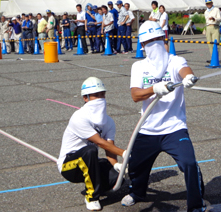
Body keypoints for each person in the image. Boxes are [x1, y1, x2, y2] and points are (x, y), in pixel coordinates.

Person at [121, 21, 205, 212]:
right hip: (147, 128)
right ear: (142, 45)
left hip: (174, 128)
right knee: (135, 166)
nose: (154, 44)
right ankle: (137, 192)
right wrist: (154, 89)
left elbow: (185, 70)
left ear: (164, 39)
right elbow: (135, 95)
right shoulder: (138, 67)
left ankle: (196, 205)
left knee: (189, 163)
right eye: (149, 41)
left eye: (158, 39)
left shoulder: (175, 61)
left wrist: (189, 78)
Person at [57, 77, 126, 211]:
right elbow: (100, 143)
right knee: (89, 150)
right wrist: (125, 153)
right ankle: (92, 197)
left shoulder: (108, 122)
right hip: (69, 166)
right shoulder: (79, 117)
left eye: (102, 94)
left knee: (117, 179)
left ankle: (99, 186)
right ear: (85, 98)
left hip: (89, 162)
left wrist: (117, 165)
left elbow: (109, 148)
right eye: (96, 95)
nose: (100, 98)